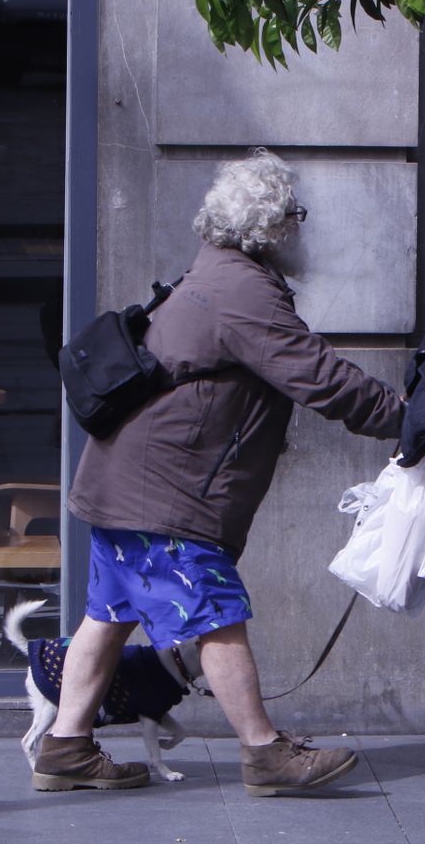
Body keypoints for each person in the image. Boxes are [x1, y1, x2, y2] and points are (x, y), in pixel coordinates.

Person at [41, 147, 405, 795]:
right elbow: (319, 378)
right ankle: (265, 752)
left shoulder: (212, 274)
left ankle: (66, 744)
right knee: (213, 611)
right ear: (271, 226)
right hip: (165, 498)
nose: (302, 226)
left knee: (109, 610)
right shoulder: (243, 292)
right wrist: (407, 418)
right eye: (296, 214)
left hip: (123, 485)